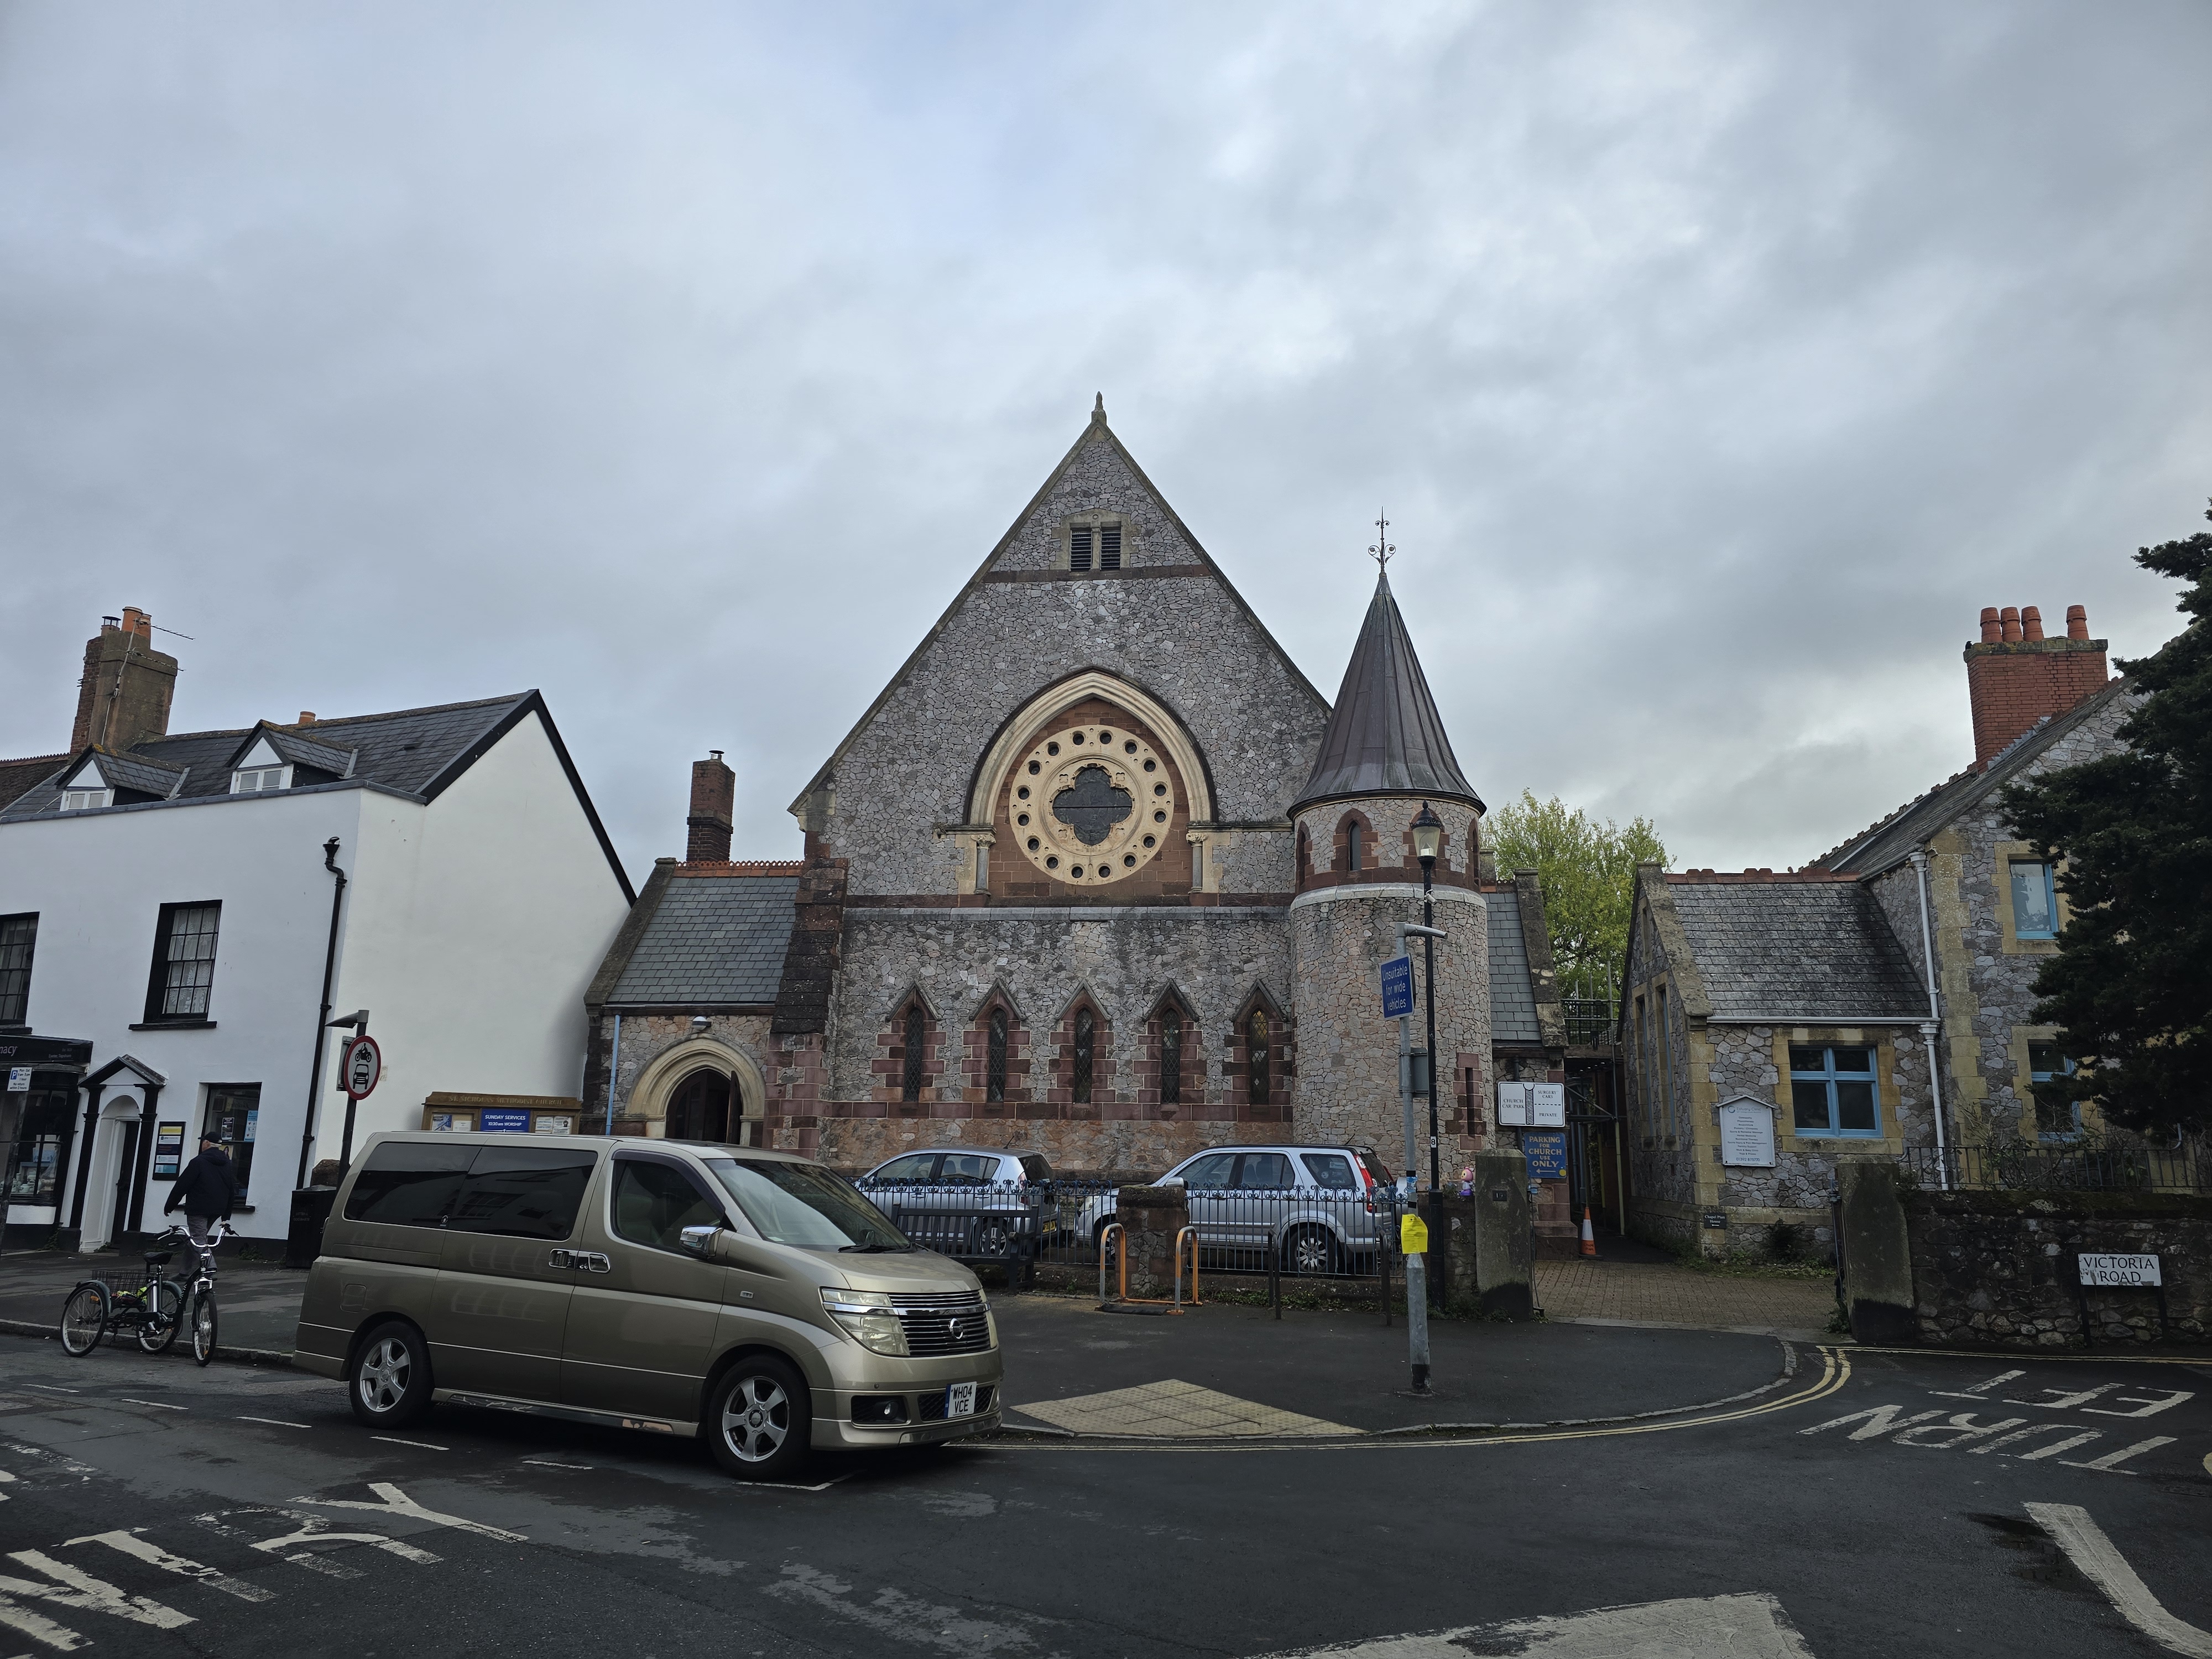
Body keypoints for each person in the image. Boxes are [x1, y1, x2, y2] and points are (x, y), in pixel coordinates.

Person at [163, 1133, 239, 1249]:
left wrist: (169, 1206)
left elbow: (182, 1186)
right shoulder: (227, 1164)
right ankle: (188, 1268)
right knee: (197, 1240)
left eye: (203, 1142)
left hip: (198, 1209)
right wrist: (226, 1214)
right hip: (218, 1208)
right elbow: (231, 1189)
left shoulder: (198, 1162)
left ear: (207, 1143)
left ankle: (211, 1267)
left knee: (198, 1241)